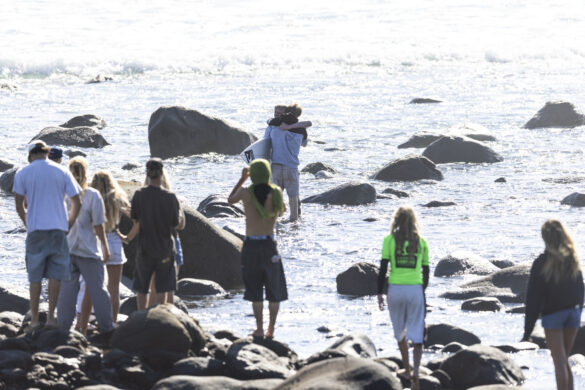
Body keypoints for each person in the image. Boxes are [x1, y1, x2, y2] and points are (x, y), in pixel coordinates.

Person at [13, 140, 81, 331]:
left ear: (30, 155)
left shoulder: (23, 173)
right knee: (55, 275)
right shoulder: (61, 171)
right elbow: (77, 201)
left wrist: (28, 223)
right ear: (47, 152)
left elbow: (19, 206)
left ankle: (34, 320)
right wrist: (69, 223)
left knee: (34, 277)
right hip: (58, 229)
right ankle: (51, 317)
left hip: (36, 230)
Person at [228, 159, 287, 338]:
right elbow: (283, 210)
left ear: (252, 174)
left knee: (255, 290)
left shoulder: (246, 193)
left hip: (251, 245)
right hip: (270, 245)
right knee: (274, 290)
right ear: (268, 174)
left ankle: (260, 329)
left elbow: (230, 200)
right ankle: (272, 330)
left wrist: (242, 179)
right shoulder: (276, 193)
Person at [522, 219, 584, 390]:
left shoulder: (542, 262)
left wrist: (527, 331)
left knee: (559, 362)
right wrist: (578, 312)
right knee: (565, 360)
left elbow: (533, 299)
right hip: (573, 314)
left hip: (554, 316)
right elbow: (581, 289)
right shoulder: (572, 259)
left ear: (545, 238)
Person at [57, 156, 114, 333]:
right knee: (99, 291)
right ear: (85, 173)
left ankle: (63, 328)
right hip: (88, 250)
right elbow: (98, 225)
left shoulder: (63, 194)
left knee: (67, 294)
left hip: (67, 249)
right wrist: (105, 247)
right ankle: (107, 328)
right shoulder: (92, 196)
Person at [120, 158, 184, 311]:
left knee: (142, 287)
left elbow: (136, 219)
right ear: (162, 173)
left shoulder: (139, 195)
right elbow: (175, 223)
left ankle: (142, 316)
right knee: (162, 286)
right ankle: (159, 314)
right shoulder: (170, 197)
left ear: (147, 174)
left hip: (145, 248)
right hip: (165, 248)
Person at [377, 206, 429, 390]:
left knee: (400, 331)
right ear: (414, 221)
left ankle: (406, 369)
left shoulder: (389, 240)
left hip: (396, 290)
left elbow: (383, 268)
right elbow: (426, 271)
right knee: (417, 334)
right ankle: (416, 372)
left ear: (396, 220)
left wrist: (379, 293)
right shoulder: (421, 241)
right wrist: (422, 291)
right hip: (414, 289)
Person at [75, 170, 130, 327]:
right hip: (114, 241)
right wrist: (127, 236)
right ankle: (111, 321)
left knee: (88, 285)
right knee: (114, 288)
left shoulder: (89, 198)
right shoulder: (117, 198)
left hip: (96, 242)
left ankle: (81, 321)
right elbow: (136, 217)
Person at [142, 171, 184, 307]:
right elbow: (180, 225)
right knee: (169, 287)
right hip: (169, 242)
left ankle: (151, 317)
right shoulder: (171, 198)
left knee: (153, 287)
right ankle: (168, 319)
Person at [263, 104, 312, 222]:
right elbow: (304, 144)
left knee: (275, 198)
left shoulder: (273, 126)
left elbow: (265, 142)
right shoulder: (301, 130)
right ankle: (294, 226)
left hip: (275, 167)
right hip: (291, 168)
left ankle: (274, 225)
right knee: (293, 200)